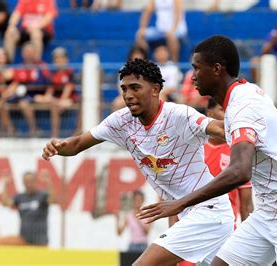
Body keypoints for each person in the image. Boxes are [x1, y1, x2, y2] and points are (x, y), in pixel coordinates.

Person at [137, 35, 277, 266]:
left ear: (217, 69)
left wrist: (181, 203)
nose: (193, 76)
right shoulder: (241, 97)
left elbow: (240, 172)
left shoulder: (243, 106)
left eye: (197, 68)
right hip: (268, 213)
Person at [41, 58, 234, 265]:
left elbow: (220, 129)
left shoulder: (179, 115)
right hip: (191, 215)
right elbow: (78, 143)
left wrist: (252, 124)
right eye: (124, 89)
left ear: (155, 89)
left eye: (135, 88)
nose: (128, 95)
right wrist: (60, 146)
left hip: (208, 213)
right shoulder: (121, 121)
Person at [204, 98, 253, 223]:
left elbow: (246, 204)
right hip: (192, 229)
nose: (228, 115)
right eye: (222, 110)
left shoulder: (239, 152)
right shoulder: (194, 148)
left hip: (226, 228)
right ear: (209, 113)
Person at [0, 171, 56, 245]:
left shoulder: (42, 195)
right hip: (24, 239)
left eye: (31, 181)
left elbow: (52, 201)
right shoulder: (20, 197)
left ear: (36, 181)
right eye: (26, 182)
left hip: (40, 241)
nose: (29, 184)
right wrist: (5, 183)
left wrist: (48, 182)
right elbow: (5, 203)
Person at [5, 42, 51, 136]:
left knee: (25, 103)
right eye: (26, 52)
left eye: (30, 52)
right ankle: (12, 131)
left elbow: (50, 83)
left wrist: (47, 95)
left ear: (34, 53)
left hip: (37, 95)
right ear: (22, 53)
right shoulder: (20, 68)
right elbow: (15, 82)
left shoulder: (42, 66)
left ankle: (35, 130)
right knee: (2, 104)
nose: (28, 54)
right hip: (23, 96)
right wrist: (10, 91)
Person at [34, 47, 77, 138]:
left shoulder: (69, 72)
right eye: (57, 58)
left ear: (66, 59)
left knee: (57, 105)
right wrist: (48, 98)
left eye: (62, 58)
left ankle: (56, 134)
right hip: (56, 101)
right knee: (38, 98)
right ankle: (54, 134)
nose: (59, 61)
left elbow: (68, 88)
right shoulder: (52, 74)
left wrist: (60, 100)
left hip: (69, 100)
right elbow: (50, 91)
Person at [112, 45, 148, 111]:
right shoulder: (124, 69)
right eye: (135, 54)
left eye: (139, 54)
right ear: (131, 55)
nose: (138, 56)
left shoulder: (149, 69)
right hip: (129, 95)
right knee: (117, 103)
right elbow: (121, 87)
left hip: (145, 95)